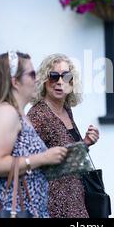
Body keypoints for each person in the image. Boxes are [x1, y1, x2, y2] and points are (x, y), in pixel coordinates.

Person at [0, 51, 67, 218]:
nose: (38, 79)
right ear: (15, 82)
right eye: (32, 74)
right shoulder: (6, 113)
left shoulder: (18, 115)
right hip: (11, 212)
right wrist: (43, 158)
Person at [27, 53, 100, 218]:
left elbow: (66, 153)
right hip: (52, 206)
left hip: (75, 199)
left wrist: (85, 143)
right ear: (44, 81)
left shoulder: (66, 109)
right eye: (54, 76)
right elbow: (29, 164)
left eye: (66, 76)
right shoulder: (38, 115)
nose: (60, 82)